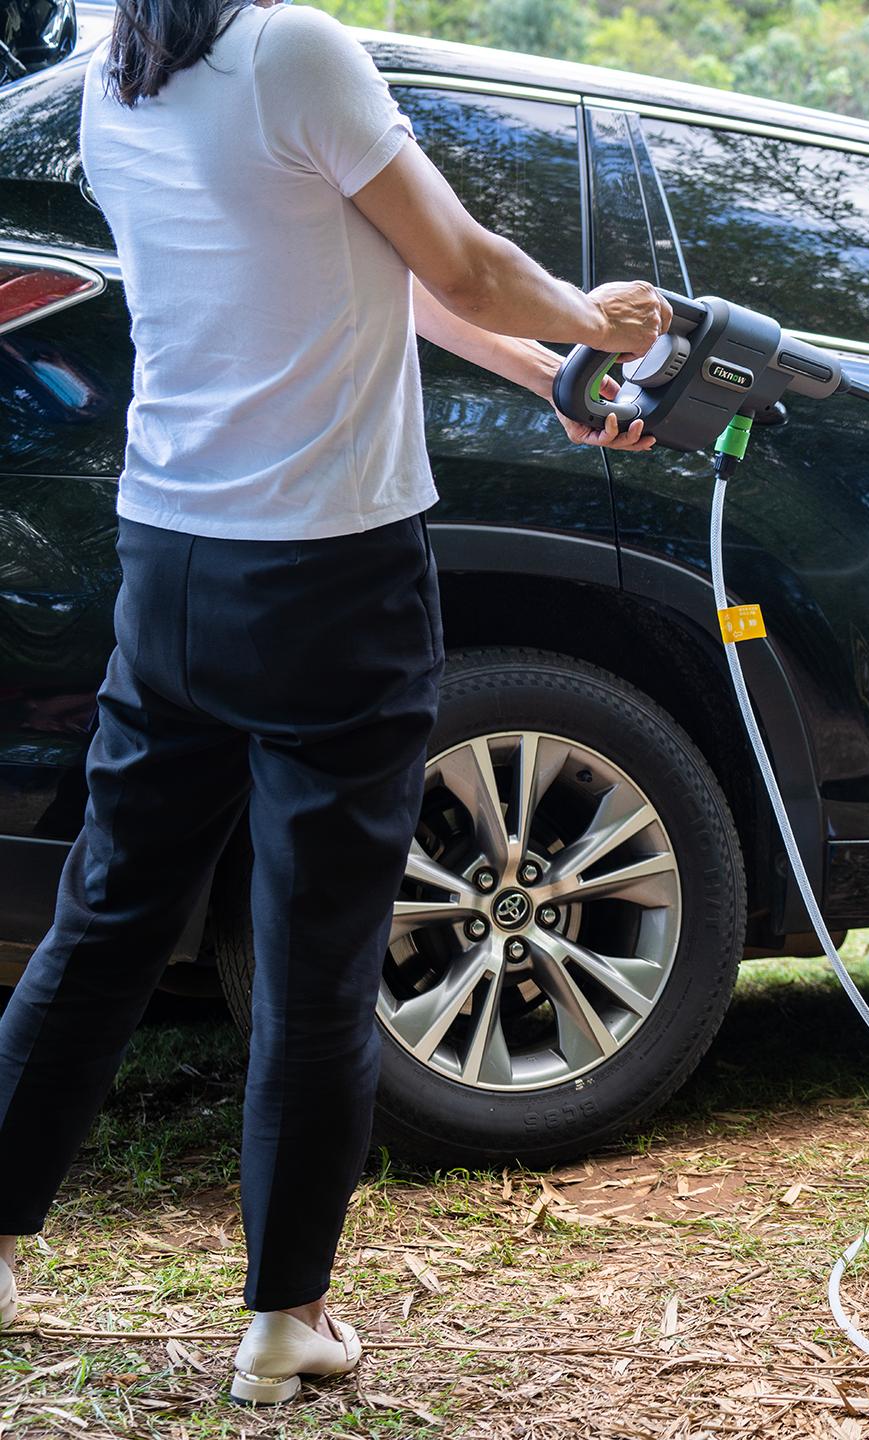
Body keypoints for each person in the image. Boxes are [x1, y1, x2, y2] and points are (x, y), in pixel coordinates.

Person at [0, 0, 670, 1404]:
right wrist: (591, 319)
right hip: (330, 577)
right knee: (315, 952)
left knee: (109, 915)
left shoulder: (122, 73)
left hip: (172, 563)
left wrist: (546, 371)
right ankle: (285, 1322)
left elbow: (377, 273)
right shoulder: (298, 52)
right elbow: (467, 262)